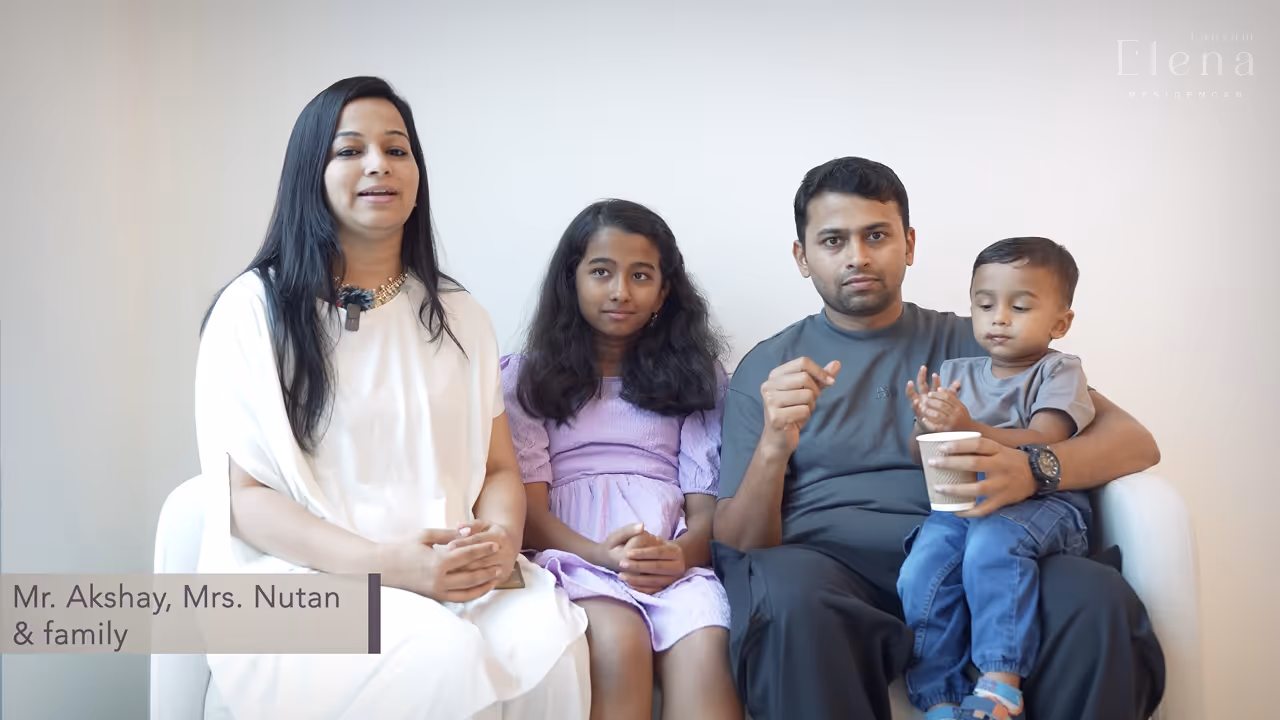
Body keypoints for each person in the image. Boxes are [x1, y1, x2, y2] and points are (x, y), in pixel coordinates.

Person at [709, 156, 1166, 720]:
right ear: (803, 257)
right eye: (833, 240)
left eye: (876, 235)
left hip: (972, 555)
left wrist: (1031, 468)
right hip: (829, 574)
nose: (858, 256)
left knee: (1093, 598)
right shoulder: (767, 368)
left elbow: (1133, 441)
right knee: (784, 593)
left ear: (909, 244)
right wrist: (775, 444)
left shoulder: (981, 341)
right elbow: (736, 544)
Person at [192, 76, 590, 720]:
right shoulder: (252, 311)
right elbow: (246, 501)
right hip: (304, 581)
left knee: (549, 644)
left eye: (396, 149)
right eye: (349, 151)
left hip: (447, 575)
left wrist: (493, 540)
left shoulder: (460, 316)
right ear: (309, 174)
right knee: (439, 658)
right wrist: (388, 568)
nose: (378, 163)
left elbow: (496, 470)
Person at [500, 199, 742, 720]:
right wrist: (601, 556)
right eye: (601, 272)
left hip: (670, 561)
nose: (620, 291)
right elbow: (530, 516)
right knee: (618, 639)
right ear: (572, 280)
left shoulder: (701, 379)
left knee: (706, 638)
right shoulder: (524, 379)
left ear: (664, 291)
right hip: (573, 559)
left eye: (640, 275)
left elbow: (706, 511)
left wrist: (680, 555)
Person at [897, 236, 1098, 719]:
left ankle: (1000, 686)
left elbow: (1045, 439)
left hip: (1046, 508)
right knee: (921, 567)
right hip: (965, 504)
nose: (999, 317)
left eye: (1020, 306)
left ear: (1060, 322)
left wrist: (968, 426)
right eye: (984, 304)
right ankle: (938, 698)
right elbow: (920, 453)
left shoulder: (1058, 371)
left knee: (992, 545)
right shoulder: (957, 370)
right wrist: (929, 423)